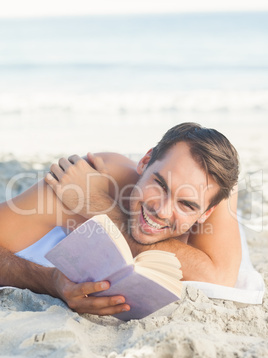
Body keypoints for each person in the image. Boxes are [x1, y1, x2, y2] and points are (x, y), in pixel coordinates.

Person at [0, 122, 242, 316]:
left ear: (206, 213)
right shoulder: (82, 183)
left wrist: (97, 205)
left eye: (186, 204)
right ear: (145, 161)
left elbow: (217, 280)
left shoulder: (215, 188)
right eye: (160, 184)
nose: (162, 211)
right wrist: (49, 282)